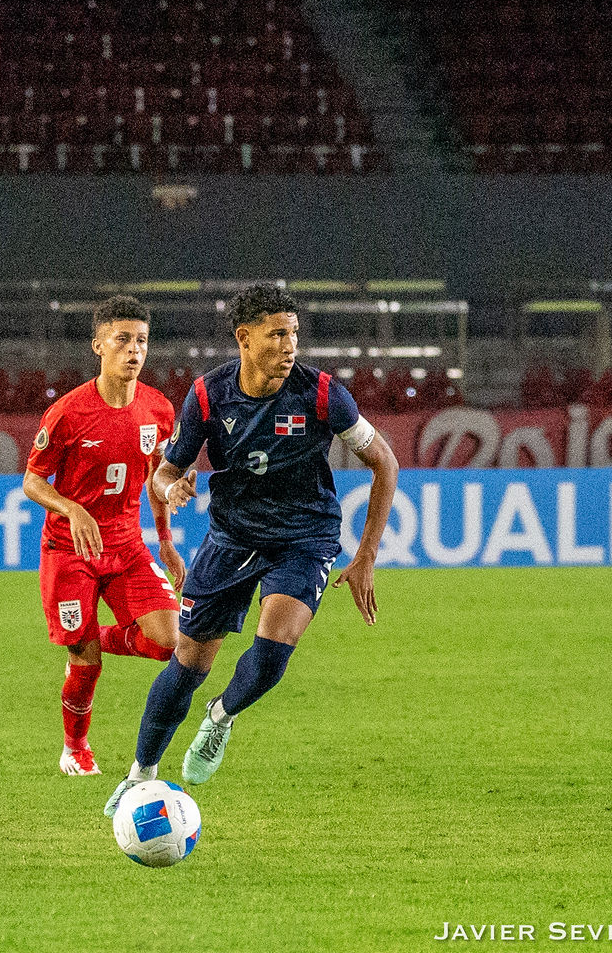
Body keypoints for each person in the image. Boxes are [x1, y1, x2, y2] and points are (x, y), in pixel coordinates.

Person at [104, 282, 399, 814]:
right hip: (232, 537)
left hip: (304, 538)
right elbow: (166, 471)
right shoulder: (208, 395)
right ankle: (139, 773)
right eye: (277, 334)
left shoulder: (323, 393)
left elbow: (385, 462)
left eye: (294, 334)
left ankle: (220, 718)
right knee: (188, 664)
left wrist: (367, 555)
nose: (290, 346)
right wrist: (172, 486)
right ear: (244, 338)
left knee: (270, 652)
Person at [23, 295, 186, 777]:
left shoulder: (157, 409)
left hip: (126, 545)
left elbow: (157, 480)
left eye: (141, 341)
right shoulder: (68, 413)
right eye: (122, 340)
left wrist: (166, 538)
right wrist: (71, 507)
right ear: (98, 345)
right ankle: (75, 747)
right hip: (69, 550)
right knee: (85, 663)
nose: (133, 351)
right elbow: (32, 481)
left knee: (168, 642)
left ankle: (92, 635)